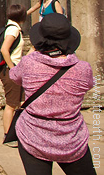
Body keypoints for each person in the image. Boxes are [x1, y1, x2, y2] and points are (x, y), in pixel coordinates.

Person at [9, 13, 96, 175]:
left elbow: (14, 76)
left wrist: (31, 54)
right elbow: (89, 85)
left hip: (33, 136)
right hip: (71, 138)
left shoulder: (29, 64)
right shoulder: (83, 68)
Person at [0, 4, 26, 139]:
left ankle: (17, 131)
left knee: (20, 102)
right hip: (11, 70)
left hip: (12, 69)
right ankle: (7, 135)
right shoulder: (14, 30)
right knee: (11, 104)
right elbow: (4, 49)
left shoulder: (10, 26)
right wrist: (13, 68)